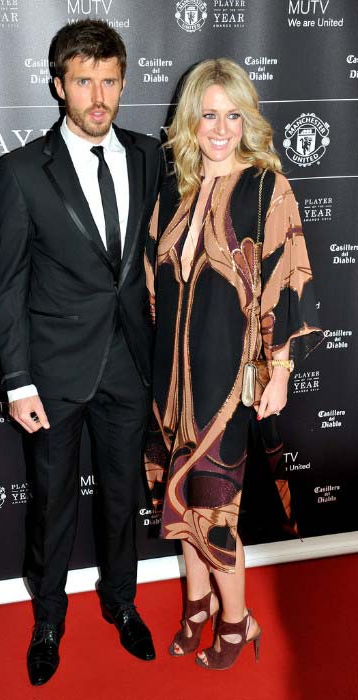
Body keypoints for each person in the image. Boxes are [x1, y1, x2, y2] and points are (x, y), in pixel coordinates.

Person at [0, 19, 161, 686]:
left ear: (122, 84)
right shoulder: (21, 172)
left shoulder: (150, 157)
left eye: (110, 81)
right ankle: (49, 619)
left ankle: (121, 602)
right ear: (59, 85)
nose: (98, 95)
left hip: (129, 362)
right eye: (84, 81)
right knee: (52, 502)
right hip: (54, 372)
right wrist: (16, 380)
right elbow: (5, 287)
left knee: (121, 497)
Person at [144, 58, 323, 670]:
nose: (220, 128)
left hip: (225, 378)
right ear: (191, 121)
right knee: (179, 503)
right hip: (169, 381)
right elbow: (150, 285)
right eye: (207, 115)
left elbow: (290, 280)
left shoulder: (267, 188)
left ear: (248, 119)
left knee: (215, 510)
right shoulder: (175, 189)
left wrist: (282, 368)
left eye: (232, 114)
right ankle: (195, 603)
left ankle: (235, 618)